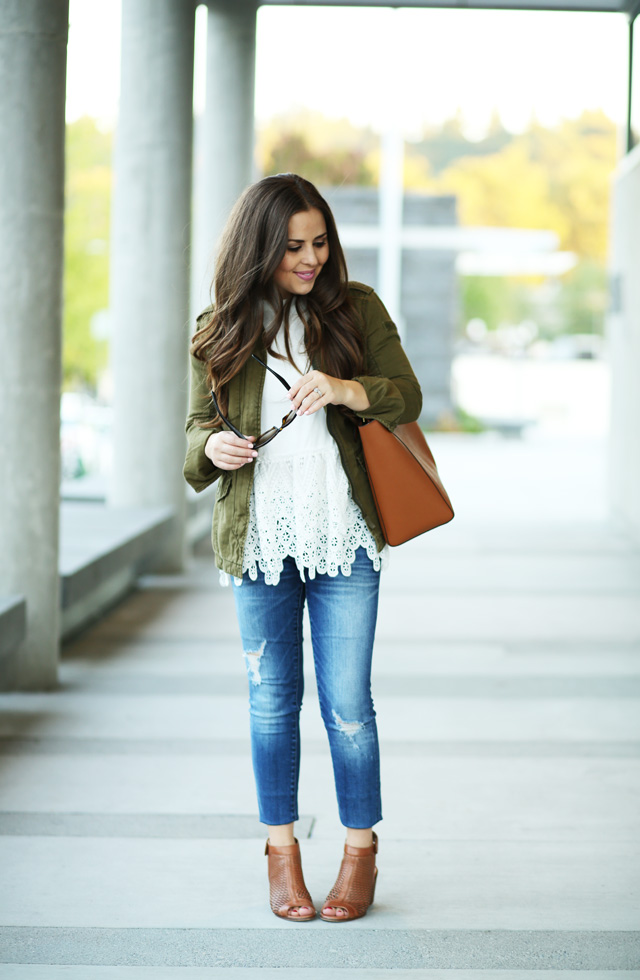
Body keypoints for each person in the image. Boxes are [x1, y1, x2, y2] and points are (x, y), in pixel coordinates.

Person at [183, 173, 422, 922]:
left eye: (319, 242)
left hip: (343, 533)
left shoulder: (356, 311)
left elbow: (406, 395)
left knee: (348, 704)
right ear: (260, 248)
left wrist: (349, 390)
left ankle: (359, 851)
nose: (311, 258)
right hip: (260, 540)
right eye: (293, 247)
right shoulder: (220, 327)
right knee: (271, 703)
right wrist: (212, 447)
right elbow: (192, 438)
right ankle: (280, 852)